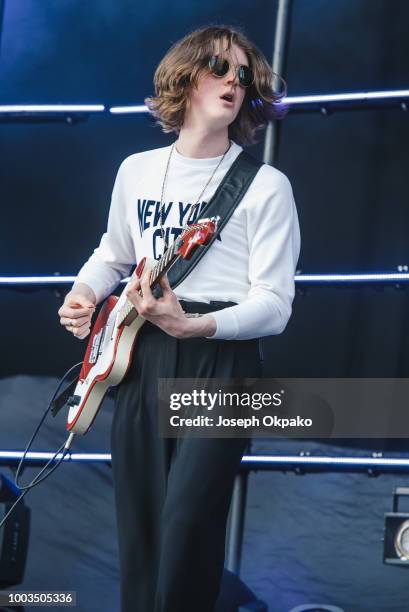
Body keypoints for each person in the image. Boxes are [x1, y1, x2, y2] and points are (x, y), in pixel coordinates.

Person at [57, 24, 300, 612]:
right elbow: (113, 252)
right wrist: (83, 292)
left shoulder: (267, 186)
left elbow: (275, 304)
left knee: (188, 523)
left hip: (223, 362)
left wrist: (194, 324)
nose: (234, 83)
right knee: (141, 528)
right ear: (187, 75)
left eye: (245, 76)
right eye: (221, 68)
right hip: (142, 355)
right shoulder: (137, 170)